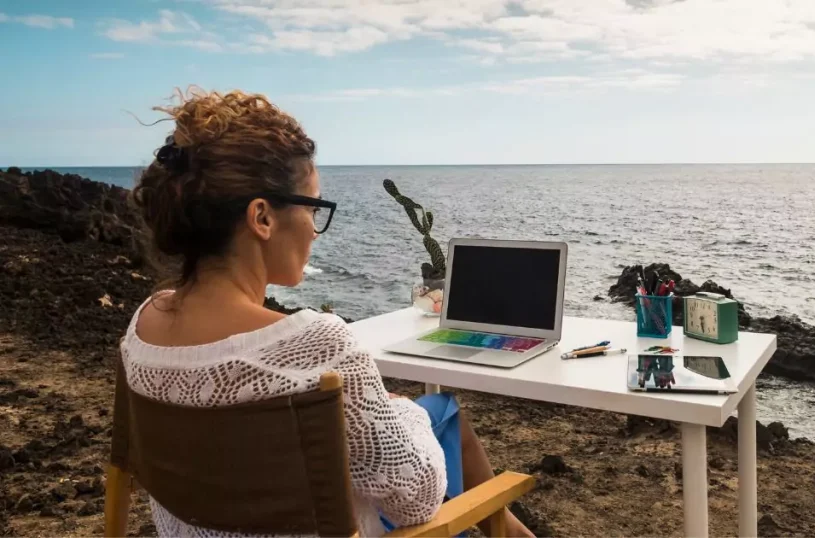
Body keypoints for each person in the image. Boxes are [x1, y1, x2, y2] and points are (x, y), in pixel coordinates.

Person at [121, 88, 535, 538]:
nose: (315, 231)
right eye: (313, 208)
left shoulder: (143, 328)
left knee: (441, 410)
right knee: (434, 416)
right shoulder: (319, 346)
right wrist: (402, 414)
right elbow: (418, 499)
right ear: (262, 217)